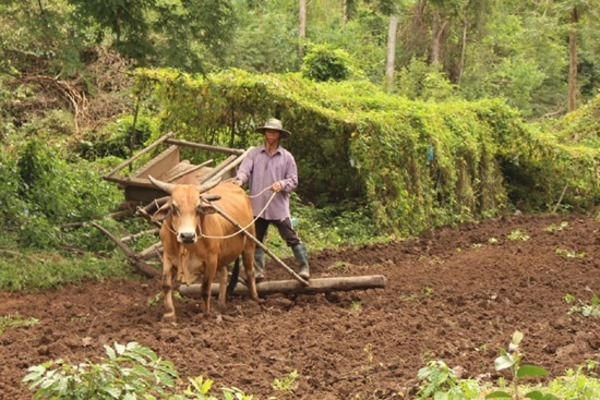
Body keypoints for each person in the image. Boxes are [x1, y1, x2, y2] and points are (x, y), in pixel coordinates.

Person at [232, 118, 310, 281]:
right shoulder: (254, 154)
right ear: (265, 133)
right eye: (268, 131)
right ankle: (258, 272)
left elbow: (293, 181)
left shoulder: (287, 157)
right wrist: (239, 180)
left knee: (291, 237)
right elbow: (244, 171)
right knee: (256, 240)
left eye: (274, 132)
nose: (271, 135)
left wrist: (281, 184)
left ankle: (304, 266)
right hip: (258, 207)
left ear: (279, 135)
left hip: (278, 207)